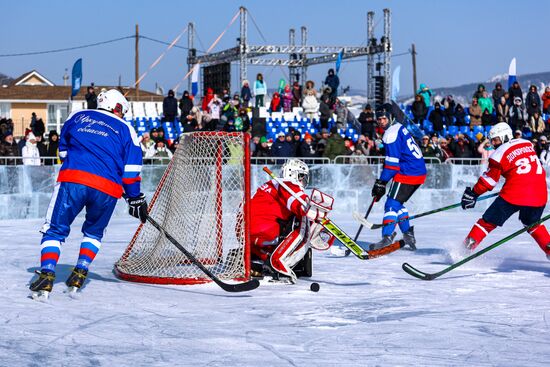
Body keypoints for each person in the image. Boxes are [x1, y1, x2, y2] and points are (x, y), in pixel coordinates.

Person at [28, 89, 147, 299]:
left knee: (54, 230)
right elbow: (130, 172)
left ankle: (47, 274)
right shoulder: (127, 130)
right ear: (118, 108)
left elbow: (63, 152)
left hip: (73, 180)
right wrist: (134, 197)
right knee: (93, 232)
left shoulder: (77, 116)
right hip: (107, 189)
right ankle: (80, 272)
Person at [460, 123, 550, 260]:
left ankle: (463, 252)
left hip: (515, 193)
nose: (494, 144)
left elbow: (489, 180)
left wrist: (473, 193)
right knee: (532, 222)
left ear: (505, 136)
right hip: (540, 192)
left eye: (495, 140)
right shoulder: (526, 143)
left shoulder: (499, 153)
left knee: (487, 222)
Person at [249, 159, 335, 282]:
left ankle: (259, 261)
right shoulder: (287, 184)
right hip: (264, 229)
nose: (302, 181)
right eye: (301, 177)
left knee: (293, 219)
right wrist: (314, 214)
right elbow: (298, 204)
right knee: (302, 219)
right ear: (293, 173)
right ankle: (278, 263)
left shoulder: (271, 185)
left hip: (247, 231)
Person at [370, 109, 427, 251]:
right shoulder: (399, 127)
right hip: (418, 172)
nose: (381, 121)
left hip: (408, 172)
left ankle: (387, 237)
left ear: (390, 117)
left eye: (384, 118)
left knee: (390, 205)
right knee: (397, 203)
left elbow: (392, 166)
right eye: (379, 119)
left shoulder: (390, 134)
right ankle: (408, 235)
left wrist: (381, 182)